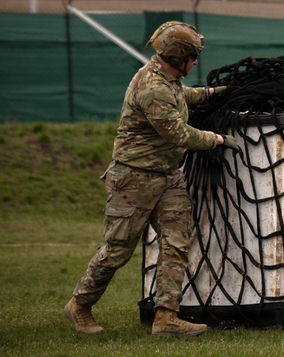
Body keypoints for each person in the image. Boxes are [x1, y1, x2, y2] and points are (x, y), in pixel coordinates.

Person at [64, 21, 237, 337]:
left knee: (176, 241)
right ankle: (80, 305)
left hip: (167, 177)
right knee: (118, 251)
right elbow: (177, 133)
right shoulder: (153, 87)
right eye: (192, 56)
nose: (196, 62)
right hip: (134, 179)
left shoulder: (165, 79)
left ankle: (166, 318)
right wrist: (217, 140)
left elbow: (181, 95)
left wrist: (211, 93)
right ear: (178, 56)